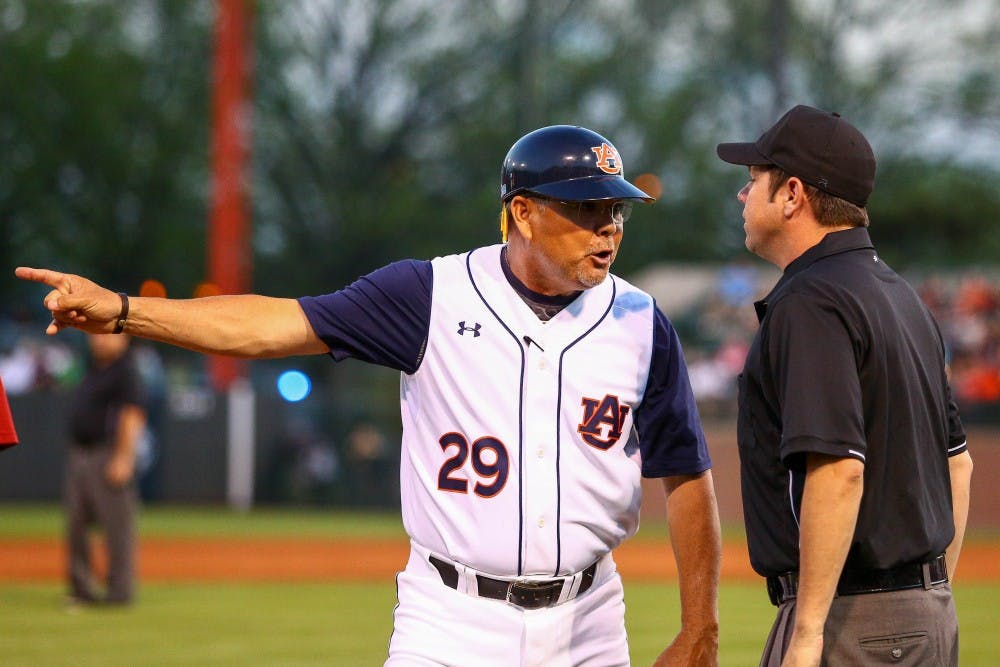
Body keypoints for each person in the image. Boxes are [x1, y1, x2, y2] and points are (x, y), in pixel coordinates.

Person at [18, 124, 721, 666]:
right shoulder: (430, 295)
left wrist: (700, 624)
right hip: (450, 617)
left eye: (618, 212)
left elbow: (687, 476)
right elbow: (272, 324)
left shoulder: (640, 322)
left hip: (589, 620)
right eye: (588, 208)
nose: (609, 228)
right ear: (525, 212)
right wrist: (123, 310)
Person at [716, 105, 974, 666]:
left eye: (753, 179)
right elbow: (958, 463)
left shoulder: (811, 301)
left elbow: (838, 468)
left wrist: (807, 635)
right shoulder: (902, 296)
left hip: (853, 620)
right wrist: (928, 593)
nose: (742, 194)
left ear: (791, 194)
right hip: (926, 614)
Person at [65, 332, 147, 606]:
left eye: (106, 334)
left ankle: (119, 592)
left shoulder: (126, 369)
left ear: (124, 338)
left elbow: (132, 414)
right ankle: (81, 590)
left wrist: (124, 457)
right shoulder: (93, 366)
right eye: (94, 334)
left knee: (117, 527)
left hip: (108, 451)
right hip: (82, 452)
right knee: (76, 524)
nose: (98, 339)